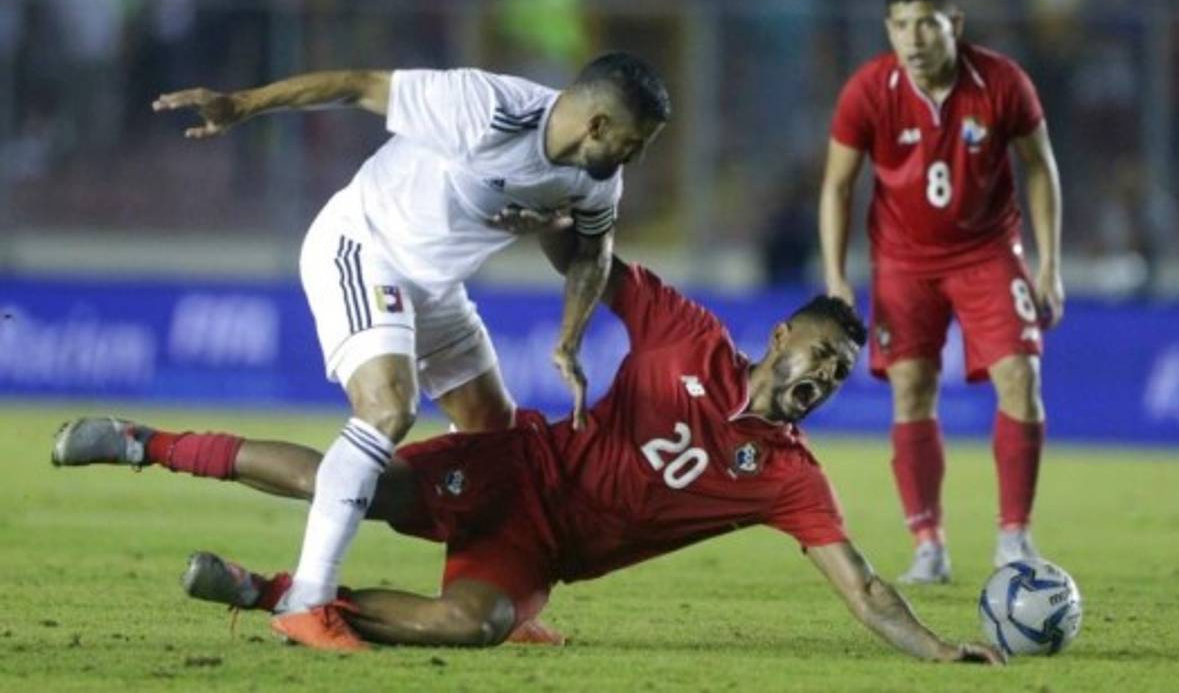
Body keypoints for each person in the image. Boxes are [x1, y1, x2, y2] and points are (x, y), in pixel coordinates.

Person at [52, 247, 1003, 665]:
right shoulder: (686, 335)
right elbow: (591, 257)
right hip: (515, 470)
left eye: (838, 374)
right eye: (821, 356)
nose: (825, 377)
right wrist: (557, 218)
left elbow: (860, 585)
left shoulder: (789, 477)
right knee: (353, 485)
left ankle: (270, 594)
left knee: (476, 624)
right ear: (782, 335)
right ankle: (146, 443)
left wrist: (935, 648)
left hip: (541, 553)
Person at [149, 52, 669, 647]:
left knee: (492, 435)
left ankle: (486, 589)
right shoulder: (485, 108)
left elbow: (591, 252)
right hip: (363, 246)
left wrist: (569, 339)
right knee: (388, 409)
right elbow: (356, 84)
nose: (636, 156)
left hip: (434, 287)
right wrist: (242, 105)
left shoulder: (596, 177)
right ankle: (306, 601)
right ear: (597, 124)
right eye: (634, 142)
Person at [818, 0, 1064, 583]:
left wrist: (1049, 264)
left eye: (926, 24)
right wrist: (836, 276)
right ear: (889, 30)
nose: (914, 38)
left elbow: (1040, 166)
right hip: (903, 261)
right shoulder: (868, 90)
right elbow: (837, 186)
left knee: (1021, 377)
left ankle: (1014, 537)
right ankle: (928, 545)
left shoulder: (1002, 82)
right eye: (901, 26)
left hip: (987, 251)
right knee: (911, 390)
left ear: (954, 24)